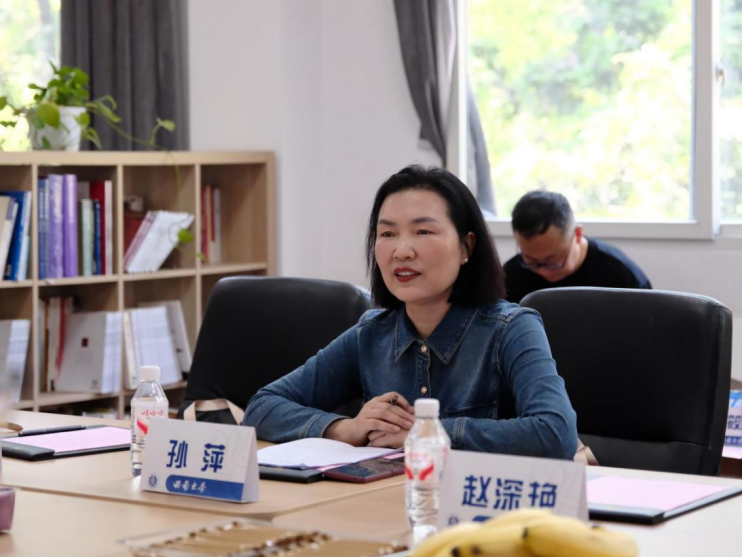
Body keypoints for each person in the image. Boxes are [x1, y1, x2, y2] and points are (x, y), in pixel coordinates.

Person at [243, 166, 577, 459]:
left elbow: (555, 433)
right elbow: (262, 406)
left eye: (423, 231)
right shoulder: (371, 333)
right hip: (383, 501)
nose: (402, 251)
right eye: (387, 234)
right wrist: (346, 428)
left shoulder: (511, 328)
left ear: (466, 246)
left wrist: (427, 433)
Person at [503, 191, 652, 304]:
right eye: (530, 261)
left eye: (552, 260)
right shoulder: (509, 278)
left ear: (578, 234)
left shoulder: (623, 278)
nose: (543, 271)